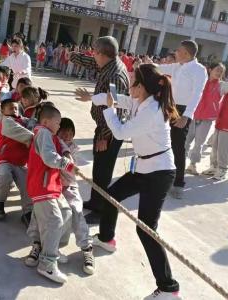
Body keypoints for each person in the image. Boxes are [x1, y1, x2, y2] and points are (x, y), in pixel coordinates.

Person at [77, 63, 181, 300]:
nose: (130, 84)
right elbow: (119, 98)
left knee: (146, 229)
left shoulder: (152, 110)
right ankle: (106, 238)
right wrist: (93, 98)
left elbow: (121, 132)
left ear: (142, 87)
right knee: (110, 197)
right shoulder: (140, 100)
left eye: (133, 81)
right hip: (144, 168)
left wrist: (108, 109)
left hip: (159, 173)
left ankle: (169, 288)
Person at [74, 36, 129, 223]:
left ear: (102, 54)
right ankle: (95, 201)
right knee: (98, 169)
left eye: (94, 52)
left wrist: (105, 136)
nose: (92, 55)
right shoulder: (108, 64)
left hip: (110, 132)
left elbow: (117, 107)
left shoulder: (115, 74)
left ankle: (100, 211)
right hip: (105, 128)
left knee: (103, 172)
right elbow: (92, 63)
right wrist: (74, 56)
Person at [26, 105, 74, 284]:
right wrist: (66, 164)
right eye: (57, 123)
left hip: (51, 186)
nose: (59, 126)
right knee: (54, 221)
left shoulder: (49, 134)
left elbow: (58, 145)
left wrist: (66, 152)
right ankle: (47, 263)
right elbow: (48, 156)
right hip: (42, 187)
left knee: (66, 213)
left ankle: (51, 249)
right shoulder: (44, 133)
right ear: (46, 122)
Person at [157, 40, 207, 199]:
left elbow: (197, 94)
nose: (175, 53)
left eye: (178, 51)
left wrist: (186, 116)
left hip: (183, 110)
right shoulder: (178, 66)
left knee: (178, 146)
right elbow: (161, 68)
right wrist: (146, 66)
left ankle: (178, 183)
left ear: (186, 53)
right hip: (170, 106)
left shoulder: (199, 70)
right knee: (164, 141)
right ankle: (162, 174)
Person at [57, 117, 95, 275]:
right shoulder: (50, 143)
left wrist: (61, 144)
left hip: (70, 186)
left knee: (76, 211)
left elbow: (68, 167)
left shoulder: (72, 149)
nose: (67, 136)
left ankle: (87, 247)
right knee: (52, 215)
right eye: (63, 133)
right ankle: (46, 247)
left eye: (70, 133)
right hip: (53, 187)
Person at [0, 98, 33, 224]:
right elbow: (28, 134)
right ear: (2, 110)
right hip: (5, 159)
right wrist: (37, 137)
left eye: (16, 108)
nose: (14, 110)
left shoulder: (24, 120)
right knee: (4, 177)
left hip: (21, 162)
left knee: (28, 186)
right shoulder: (6, 121)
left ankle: (28, 212)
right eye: (10, 108)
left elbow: (35, 123)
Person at [185, 63, 225, 175]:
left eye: (221, 72)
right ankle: (179, 163)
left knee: (199, 143)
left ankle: (192, 165)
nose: (219, 73)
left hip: (207, 118)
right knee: (186, 141)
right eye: (217, 70)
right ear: (210, 69)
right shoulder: (200, 80)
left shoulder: (221, 85)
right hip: (193, 115)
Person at [202, 73, 228, 180]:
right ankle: (214, 167)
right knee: (215, 146)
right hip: (221, 121)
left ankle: (222, 169)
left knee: (224, 148)